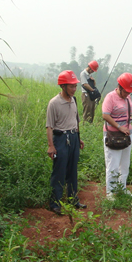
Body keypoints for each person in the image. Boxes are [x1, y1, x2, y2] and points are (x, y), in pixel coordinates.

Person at [46, 70, 87, 215]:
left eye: (75, 86)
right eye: (71, 87)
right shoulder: (54, 103)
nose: (74, 89)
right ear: (63, 86)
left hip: (73, 137)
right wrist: (51, 146)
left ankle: (72, 199)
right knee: (59, 171)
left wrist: (79, 137)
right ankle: (55, 203)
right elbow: (49, 126)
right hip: (61, 139)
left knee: (72, 170)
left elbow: (75, 121)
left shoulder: (74, 100)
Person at [102, 73, 132, 199]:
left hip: (127, 135)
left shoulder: (128, 98)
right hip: (113, 135)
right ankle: (110, 191)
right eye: (126, 91)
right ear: (120, 87)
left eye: (129, 92)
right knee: (113, 164)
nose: (127, 94)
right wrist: (119, 126)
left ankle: (122, 187)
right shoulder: (110, 97)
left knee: (125, 163)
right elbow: (105, 115)